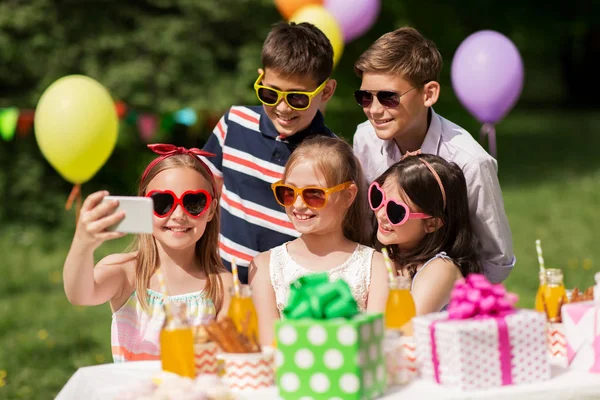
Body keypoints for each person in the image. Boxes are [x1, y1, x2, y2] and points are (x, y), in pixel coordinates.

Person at [352, 26, 514, 283]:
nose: (374, 109)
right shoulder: (365, 138)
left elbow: (496, 259)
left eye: (388, 97)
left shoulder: (470, 162)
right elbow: (366, 222)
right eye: (364, 97)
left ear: (428, 94)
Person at [63, 144, 233, 362]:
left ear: (210, 210)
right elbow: (79, 295)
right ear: (144, 204)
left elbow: (226, 360)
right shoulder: (126, 272)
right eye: (163, 202)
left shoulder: (222, 286)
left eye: (194, 202)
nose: (179, 215)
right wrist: (83, 243)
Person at [201, 21, 337, 284]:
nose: (283, 108)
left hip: (289, 293)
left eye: (298, 98)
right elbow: (205, 191)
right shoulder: (233, 123)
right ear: (261, 78)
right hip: (222, 283)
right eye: (270, 93)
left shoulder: (331, 155)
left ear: (327, 91)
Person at [249, 136, 389, 346]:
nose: (298, 204)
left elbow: (376, 343)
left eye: (314, 194)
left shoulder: (376, 266)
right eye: (288, 192)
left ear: (348, 196)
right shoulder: (263, 266)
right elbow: (270, 347)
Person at [371, 153, 480, 314]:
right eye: (377, 197)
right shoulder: (390, 257)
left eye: (396, 211)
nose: (380, 214)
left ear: (431, 224)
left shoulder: (441, 270)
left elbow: (405, 329)